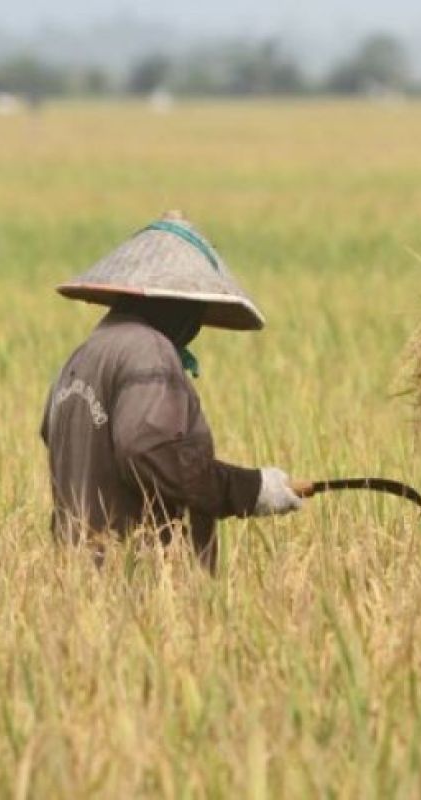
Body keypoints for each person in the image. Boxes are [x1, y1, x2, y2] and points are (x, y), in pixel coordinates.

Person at [41, 210, 303, 570]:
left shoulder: (80, 357)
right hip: (140, 588)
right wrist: (248, 490)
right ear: (176, 305)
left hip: (77, 582)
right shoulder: (149, 350)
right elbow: (147, 450)